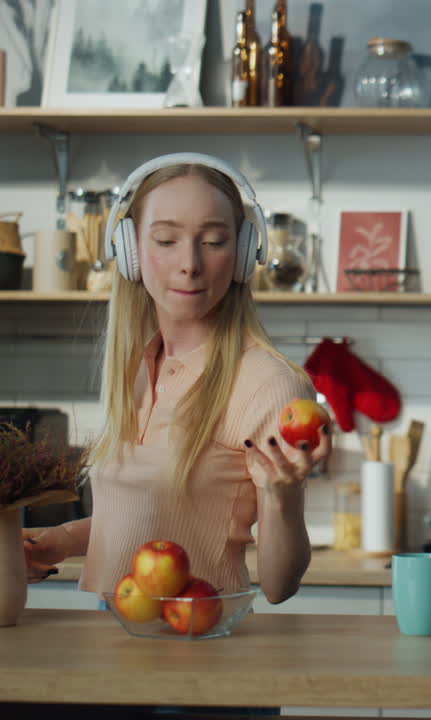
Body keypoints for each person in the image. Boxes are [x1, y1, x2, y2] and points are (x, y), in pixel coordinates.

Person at [21, 154, 329, 606]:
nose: (190, 263)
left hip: (199, 648)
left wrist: (281, 499)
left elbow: (281, 586)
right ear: (129, 251)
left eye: (215, 240)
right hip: (117, 638)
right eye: (166, 239)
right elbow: (161, 519)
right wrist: (64, 539)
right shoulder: (138, 366)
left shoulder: (269, 384)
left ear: (245, 254)